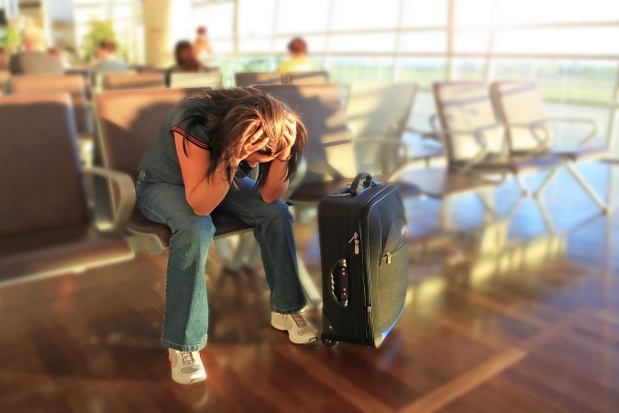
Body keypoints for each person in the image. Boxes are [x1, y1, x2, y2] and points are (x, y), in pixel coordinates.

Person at [136, 88, 318, 385]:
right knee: (196, 227)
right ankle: (183, 345)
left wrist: (283, 155)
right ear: (239, 139)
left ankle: (286, 310)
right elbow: (201, 204)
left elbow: (271, 197)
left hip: (221, 176)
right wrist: (233, 156)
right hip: (164, 183)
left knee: (277, 214)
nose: (258, 165)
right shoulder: (193, 121)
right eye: (257, 157)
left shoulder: (274, 122)